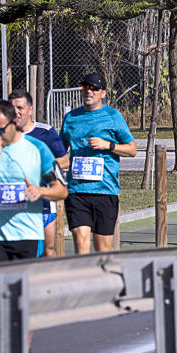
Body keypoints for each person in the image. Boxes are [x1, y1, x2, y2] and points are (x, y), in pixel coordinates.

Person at [0, 99, 66, 353]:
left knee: (24, 297)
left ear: (15, 122)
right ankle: (2, 335)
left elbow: (61, 190)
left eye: (0, 129)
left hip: (27, 234)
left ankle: (24, 350)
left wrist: (40, 191)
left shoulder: (37, 149)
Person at [59, 72, 136, 255]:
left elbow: (132, 149)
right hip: (77, 191)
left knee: (103, 250)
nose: (89, 92)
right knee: (81, 241)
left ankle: (103, 281)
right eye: (86, 87)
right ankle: (85, 281)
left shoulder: (113, 116)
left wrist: (107, 145)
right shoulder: (71, 118)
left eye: (94, 88)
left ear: (103, 93)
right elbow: (61, 151)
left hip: (105, 190)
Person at [9, 89, 69, 256]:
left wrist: (42, 166)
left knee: (47, 253)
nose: (16, 112)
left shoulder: (46, 132)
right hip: (13, 204)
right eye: (12, 108)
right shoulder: (4, 133)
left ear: (30, 109)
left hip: (43, 203)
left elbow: (65, 160)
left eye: (20, 108)